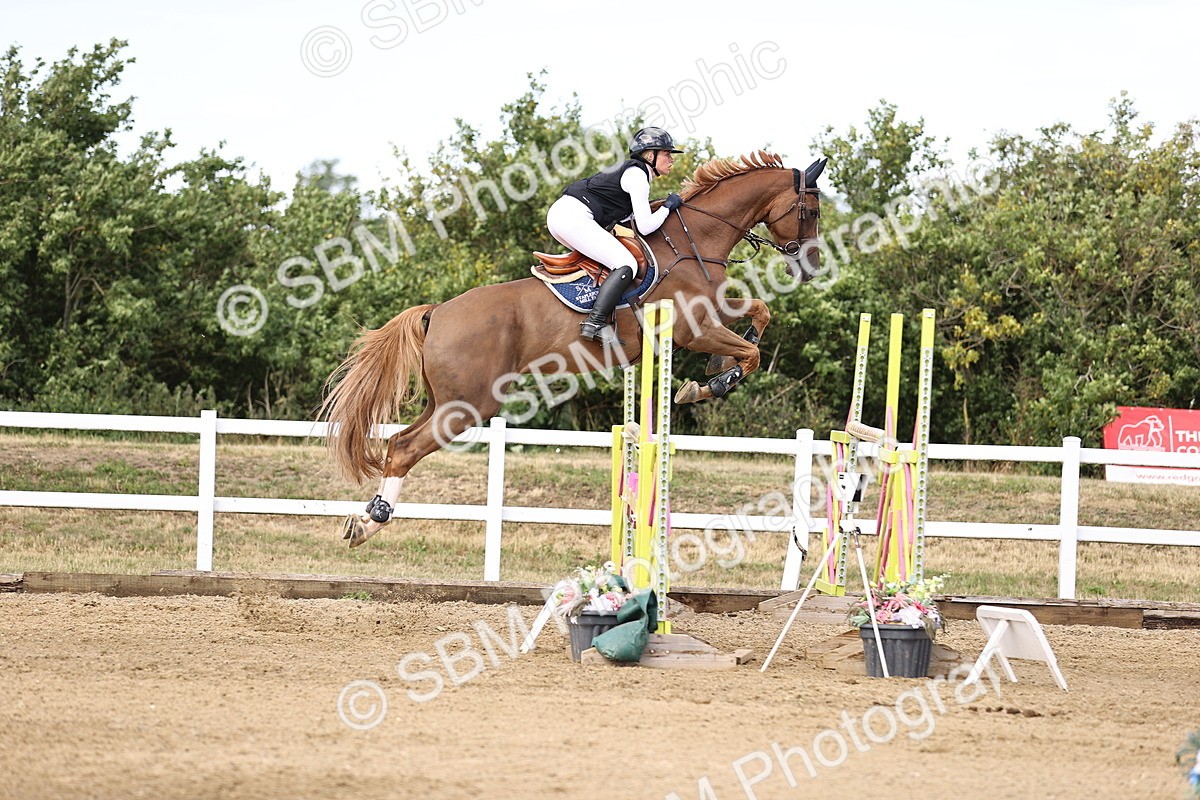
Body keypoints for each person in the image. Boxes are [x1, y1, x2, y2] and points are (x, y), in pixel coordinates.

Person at [547, 127, 684, 341]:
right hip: (572, 217)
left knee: (608, 262)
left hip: (564, 216)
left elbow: (627, 221)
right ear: (650, 155)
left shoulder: (633, 173)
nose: (671, 159)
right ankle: (594, 323)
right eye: (667, 154)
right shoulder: (637, 174)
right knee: (626, 264)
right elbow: (646, 226)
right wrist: (668, 207)